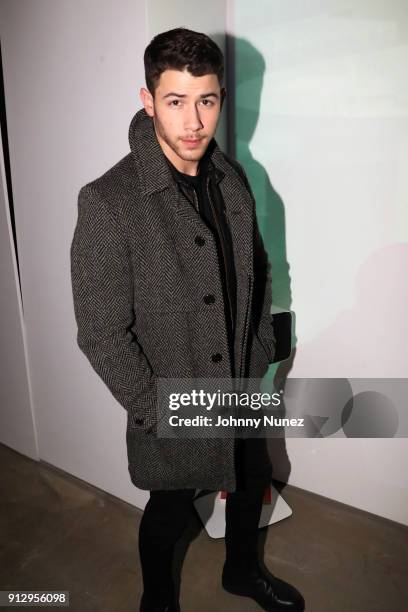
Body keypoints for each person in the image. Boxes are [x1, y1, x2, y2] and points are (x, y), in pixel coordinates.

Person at [70, 27, 304, 612]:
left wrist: (255, 361)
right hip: (172, 397)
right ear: (148, 100)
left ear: (222, 96)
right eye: (175, 102)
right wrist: (156, 408)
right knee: (171, 509)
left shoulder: (234, 179)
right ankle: (157, 602)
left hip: (239, 383)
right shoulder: (108, 201)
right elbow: (100, 333)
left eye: (207, 100)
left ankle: (242, 571)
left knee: (253, 476)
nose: (194, 122)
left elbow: (258, 268)